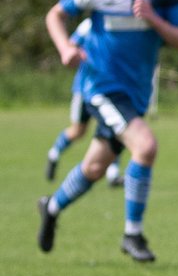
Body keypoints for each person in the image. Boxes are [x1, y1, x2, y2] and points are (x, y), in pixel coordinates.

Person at [38, 0, 178, 262]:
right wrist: (65, 48)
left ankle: (51, 206)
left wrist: (153, 19)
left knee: (94, 168)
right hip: (100, 87)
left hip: (135, 94)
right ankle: (132, 234)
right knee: (146, 146)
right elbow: (55, 16)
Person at [45, 19, 125, 188]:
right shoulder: (88, 25)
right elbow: (71, 45)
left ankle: (113, 175)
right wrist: (77, 53)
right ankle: (54, 154)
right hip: (85, 89)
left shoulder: (119, 24)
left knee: (118, 129)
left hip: (109, 91)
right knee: (78, 131)